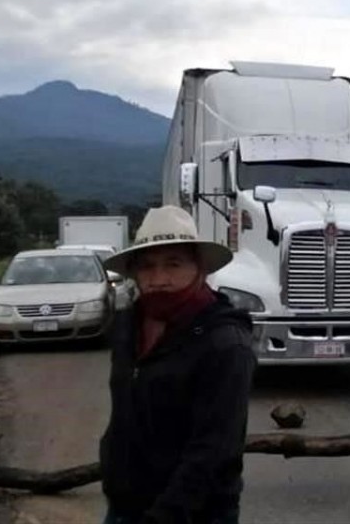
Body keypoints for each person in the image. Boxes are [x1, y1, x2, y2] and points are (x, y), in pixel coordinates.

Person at [100, 206, 256, 524]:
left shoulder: (225, 342)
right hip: (124, 507)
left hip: (193, 514)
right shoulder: (129, 325)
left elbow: (215, 449)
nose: (158, 279)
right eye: (147, 267)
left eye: (173, 264)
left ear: (199, 269)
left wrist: (165, 515)